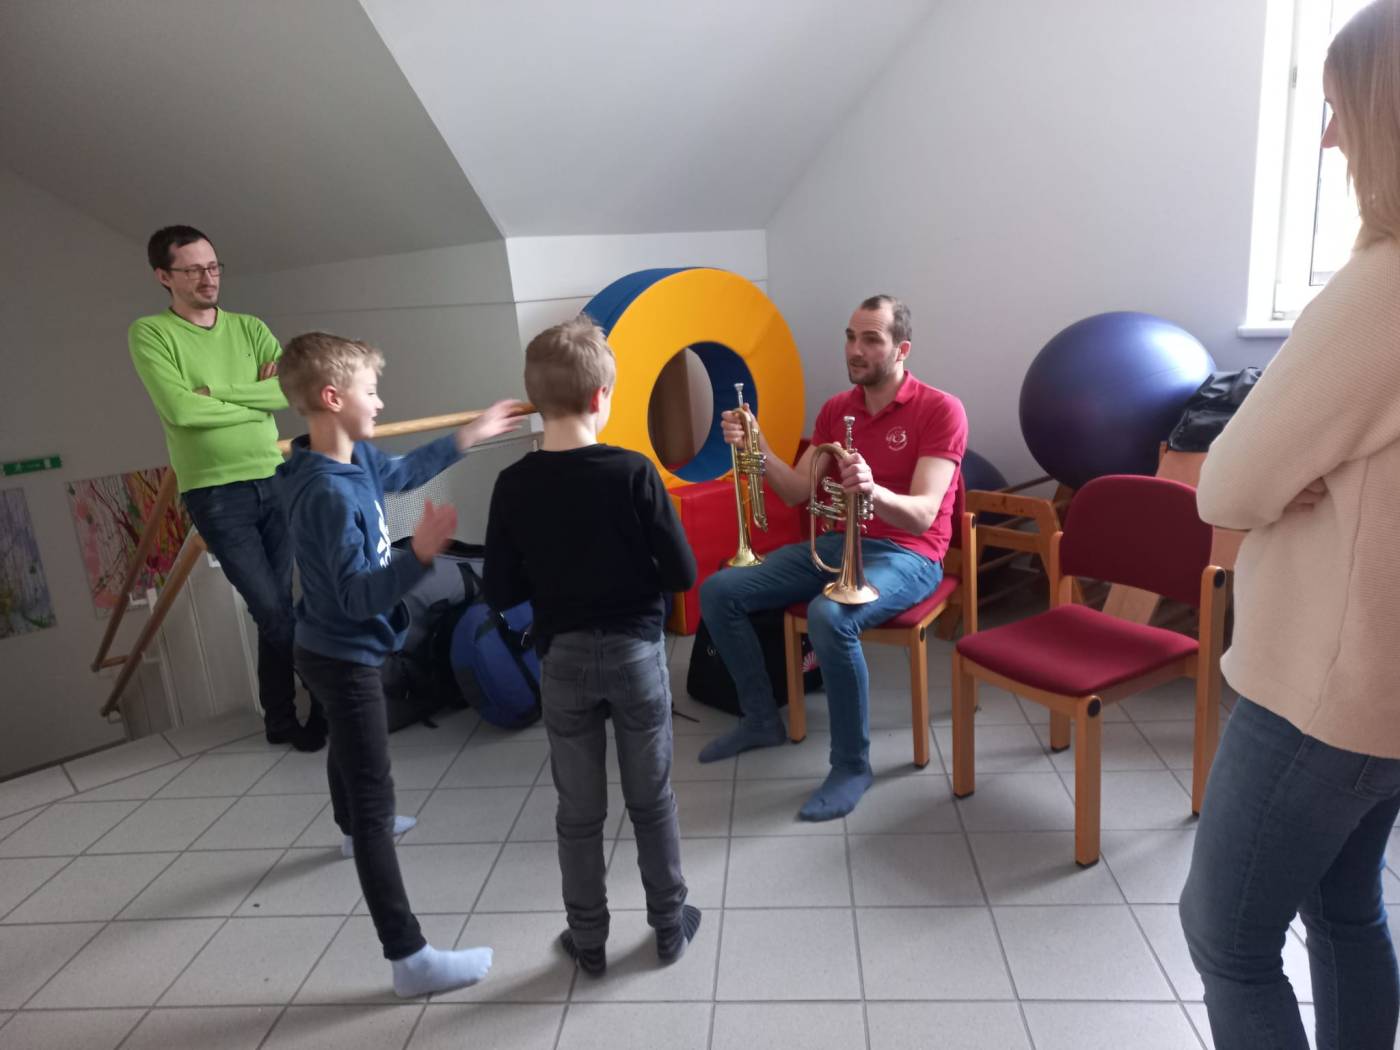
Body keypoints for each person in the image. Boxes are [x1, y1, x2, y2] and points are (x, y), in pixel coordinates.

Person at [1179, 3, 1400, 1048]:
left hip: (1321, 692)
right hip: (1379, 693)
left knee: (1224, 935)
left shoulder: (1379, 290)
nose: (1325, 135)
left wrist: (1283, 474)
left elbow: (1225, 486)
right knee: (1345, 905)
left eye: (1336, 108)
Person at [275, 330, 522, 996]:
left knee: (346, 744)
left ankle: (348, 829)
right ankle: (409, 958)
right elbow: (358, 598)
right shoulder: (326, 495)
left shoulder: (348, 457)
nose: (381, 402)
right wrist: (420, 556)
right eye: (371, 390)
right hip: (343, 655)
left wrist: (468, 436)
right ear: (333, 398)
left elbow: (403, 472)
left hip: (324, 647)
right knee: (375, 799)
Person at [483, 316, 701, 976]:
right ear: (601, 396)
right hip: (635, 655)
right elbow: (682, 574)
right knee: (652, 800)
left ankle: (588, 939)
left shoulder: (513, 483)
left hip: (564, 660)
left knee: (578, 813)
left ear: (534, 400)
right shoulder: (633, 472)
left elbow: (500, 589)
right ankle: (669, 925)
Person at [697, 295, 967, 820]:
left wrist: (872, 491)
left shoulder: (940, 409)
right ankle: (760, 719)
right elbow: (796, 491)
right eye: (850, 336)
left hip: (910, 553)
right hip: (837, 543)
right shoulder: (835, 409)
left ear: (901, 350)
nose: (855, 350)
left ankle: (851, 766)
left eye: (871, 339)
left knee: (829, 615)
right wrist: (756, 445)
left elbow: (922, 515)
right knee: (719, 590)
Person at [129, 225, 321, 751]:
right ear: (164, 276)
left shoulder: (250, 327)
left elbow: (290, 393)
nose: (208, 278)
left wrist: (214, 392)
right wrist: (251, 397)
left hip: (273, 478)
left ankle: (281, 720)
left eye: (213, 267)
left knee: (277, 607)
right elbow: (180, 410)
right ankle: (328, 699)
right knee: (271, 609)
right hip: (216, 493)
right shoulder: (151, 334)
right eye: (193, 270)